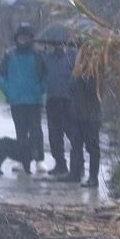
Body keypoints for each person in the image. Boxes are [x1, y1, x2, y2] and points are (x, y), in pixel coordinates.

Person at [0, 23, 47, 173]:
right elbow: (0, 75)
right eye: (21, 37)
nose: (23, 39)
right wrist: (8, 91)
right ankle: (21, 159)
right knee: (21, 131)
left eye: (26, 37)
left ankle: (39, 159)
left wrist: (40, 89)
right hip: (16, 100)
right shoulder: (9, 55)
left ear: (31, 38)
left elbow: (45, 76)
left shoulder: (38, 56)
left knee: (36, 131)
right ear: (16, 38)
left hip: (34, 100)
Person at [58, 43, 101, 189]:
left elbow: (94, 91)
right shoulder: (77, 70)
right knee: (75, 145)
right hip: (77, 114)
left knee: (92, 147)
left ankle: (93, 178)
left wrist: (85, 76)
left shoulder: (96, 71)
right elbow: (71, 88)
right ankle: (75, 173)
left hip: (91, 115)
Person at [42, 39, 77, 177]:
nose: (59, 45)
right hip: (52, 100)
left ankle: (77, 167)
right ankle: (60, 164)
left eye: (62, 43)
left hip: (68, 101)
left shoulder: (74, 56)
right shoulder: (48, 58)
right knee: (54, 135)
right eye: (56, 43)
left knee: (73, 135)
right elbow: (42, 74)